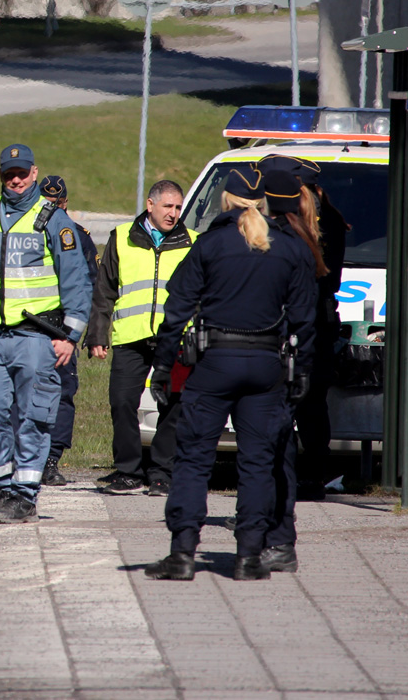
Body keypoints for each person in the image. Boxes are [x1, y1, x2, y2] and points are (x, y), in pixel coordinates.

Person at [144, 167, 315, 581]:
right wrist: (301, 370)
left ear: (226, 201)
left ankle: (183, 554)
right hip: (264, 367)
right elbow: (305, 320)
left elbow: (176, 311)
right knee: (258, 464)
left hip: (215, 363)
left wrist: (164, 366)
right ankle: (249, 558)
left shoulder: (210, 245)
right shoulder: (289, 248)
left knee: (193, 459)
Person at [0, 144, 92, 523]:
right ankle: (3, 489)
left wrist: (70, 337)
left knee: (33, 418)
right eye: (8, 174)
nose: (15, 180)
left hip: (37, 336)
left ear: (34, 173)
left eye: (21, 173)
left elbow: (77, 283)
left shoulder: (53, 220)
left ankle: (25, 495)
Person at [84, 180, 197, 496]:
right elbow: (103, 291)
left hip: (175, 340)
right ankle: (128, 470)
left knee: (173, 406)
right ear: (150, 205)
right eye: (168, 207)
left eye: (178, 207)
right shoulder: (121, 238)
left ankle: (162, 472)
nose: (174, 214)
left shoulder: (193, 242)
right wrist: (97, 335)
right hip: (130, 337)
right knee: (121, 403)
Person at [259, 154, 346, 501]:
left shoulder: (313, 225)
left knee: (304, 404)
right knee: (302, 405)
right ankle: (299, 475)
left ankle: (306, 476)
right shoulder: (316, 221)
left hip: (307, 323)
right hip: (306, 323)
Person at [35, 174, 98, 487]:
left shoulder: (78, 235)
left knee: (62, 394)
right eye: (45, 202)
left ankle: (51, 459)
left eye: (56, 203)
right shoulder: (28, 232)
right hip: (31, 325)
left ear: (66, 203)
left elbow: (90, 285)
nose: (51, 209)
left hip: (61, 328)